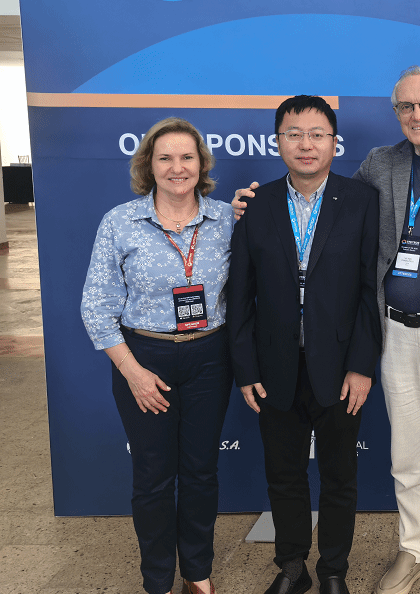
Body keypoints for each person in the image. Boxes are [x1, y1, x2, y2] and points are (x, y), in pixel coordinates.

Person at [235, 69, 420, 594]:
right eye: (406, 107)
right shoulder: (380, 165)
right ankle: (415, 551)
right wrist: (251, 205)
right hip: (395, 337)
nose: (418, 115)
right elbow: (331, 208)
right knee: (408, 460)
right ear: (395, 113)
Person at [227, 95, 382, 594]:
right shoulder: (256, 204)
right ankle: (292, 567)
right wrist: (246, 368)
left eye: (317, 134)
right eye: (294, 134)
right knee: (284, 475)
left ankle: (334, 569)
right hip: (274, 366)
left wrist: (362, 364)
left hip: (338, 367)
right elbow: (240, 294)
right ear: (278, 142)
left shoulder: (362, 201)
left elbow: (370, 291)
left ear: (335, 142)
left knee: (339, 477)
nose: (306, 144)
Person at [81, 117, 234, 594]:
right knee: (152, 477)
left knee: (201, 472)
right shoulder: (120, 222)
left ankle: (197, 572)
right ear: (148, 165)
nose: (177, 167)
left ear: (201, 164)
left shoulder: (227, 220)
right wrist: (133, 372)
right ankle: (158, 580)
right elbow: (96, 307)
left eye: (187, 157)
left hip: (210, 357)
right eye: (165, 158)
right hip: (143, 357)